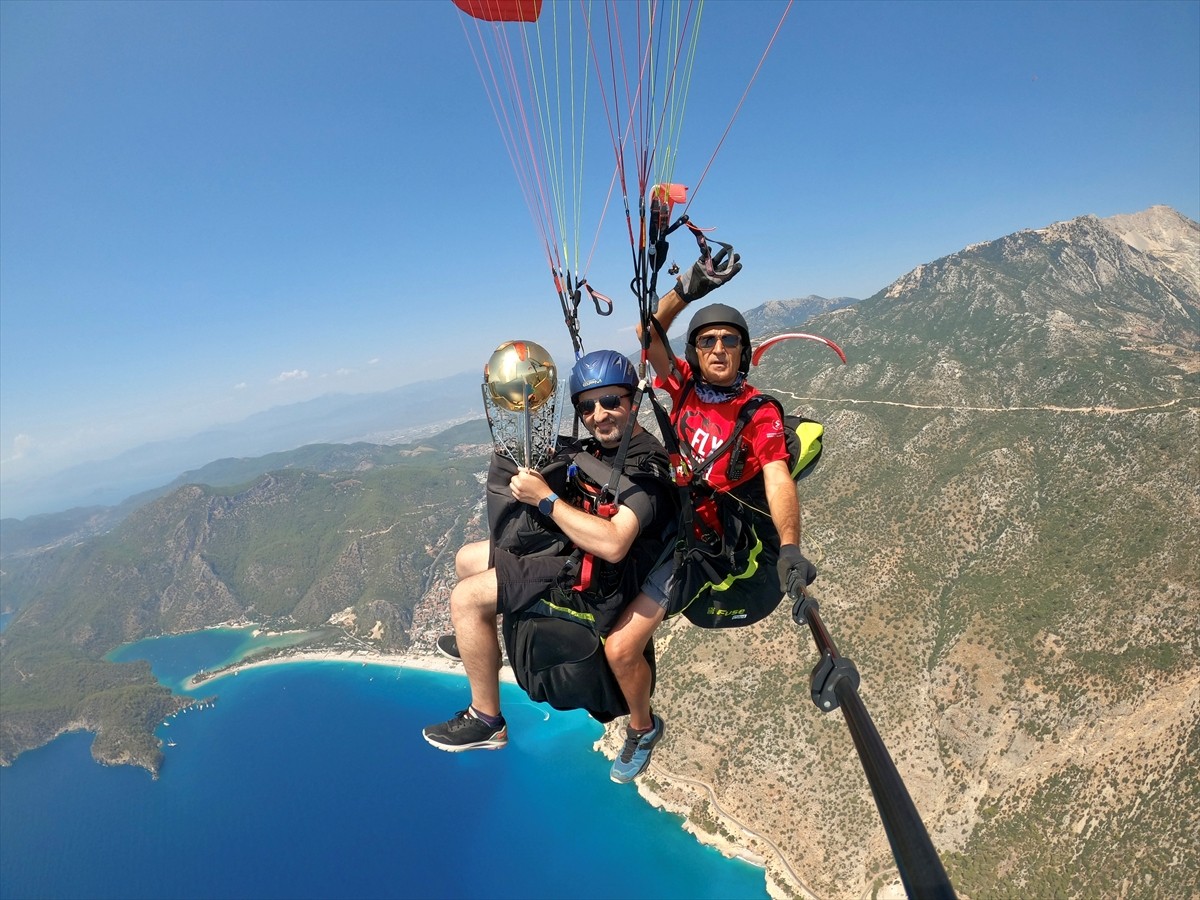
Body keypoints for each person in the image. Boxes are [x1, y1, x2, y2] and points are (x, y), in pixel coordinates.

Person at [423, 349, 677, 774]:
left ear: (633, 401)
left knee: (467, 599)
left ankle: (486, 720)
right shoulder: (601, 447)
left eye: (612, 401)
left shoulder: (646, 467)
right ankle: (481, 650)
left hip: (603, 574)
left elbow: (615, 544)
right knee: (467, 559)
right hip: (577, 552)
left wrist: (545, 499)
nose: (599, 414)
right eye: (588, 406)